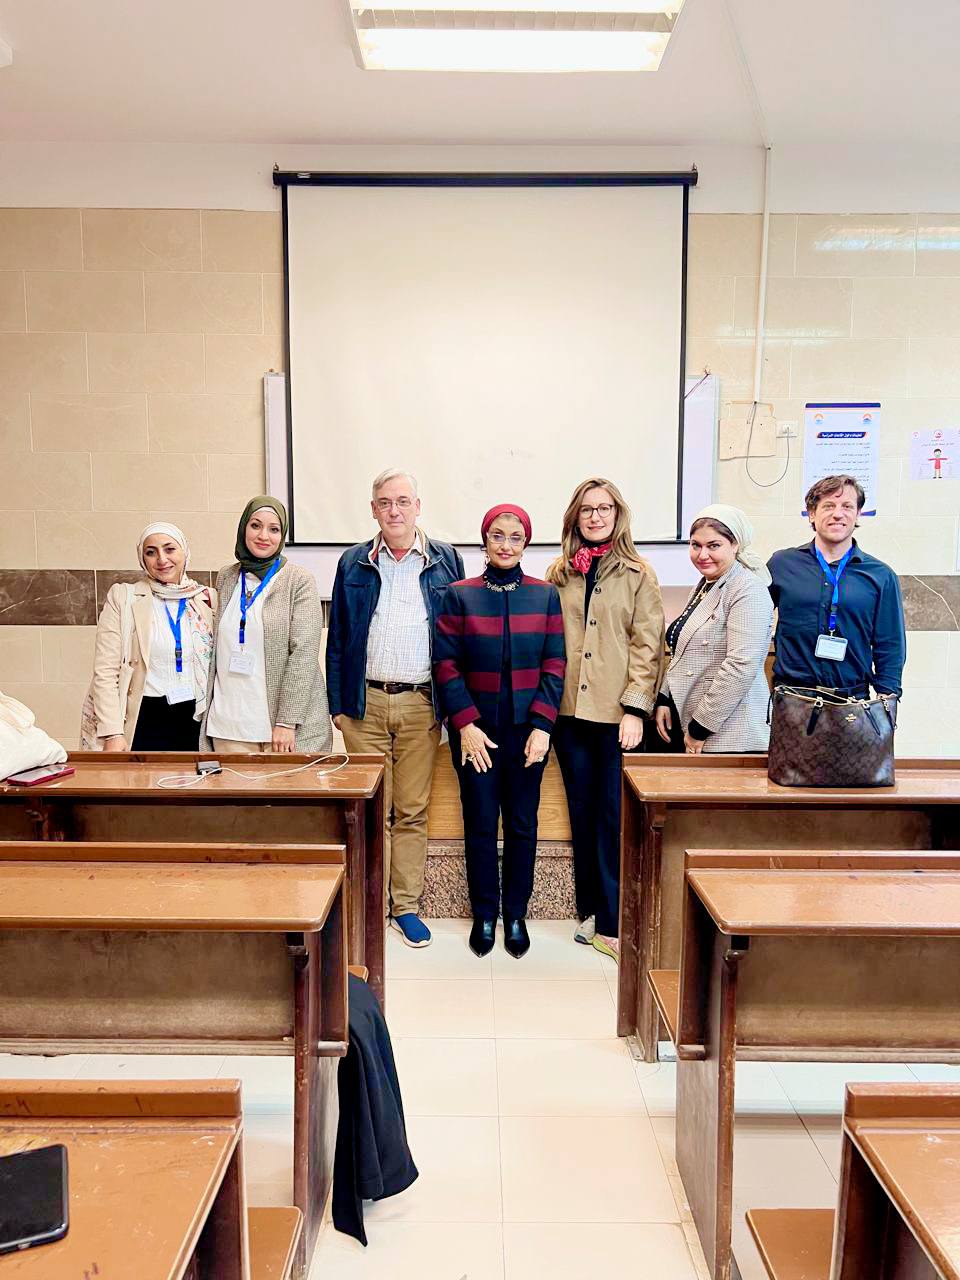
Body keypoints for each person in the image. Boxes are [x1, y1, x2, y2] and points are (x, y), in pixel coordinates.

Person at [326, 469, 464, 950]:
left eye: (403, 501)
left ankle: (405, 906)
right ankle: (370, 906)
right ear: (373, 509)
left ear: (418, 506)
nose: (394, 510)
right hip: (364, 705)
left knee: (410, 811)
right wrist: (339, 706)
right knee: (370, 811)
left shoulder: (445, 559)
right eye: (385, 502)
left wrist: (451, 706)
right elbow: (339, 637)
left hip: (422, 704)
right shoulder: (353, 562)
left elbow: (457, 637)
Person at [433, 504, 565, 960]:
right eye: (497, 535)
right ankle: (485, 913)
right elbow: (445, 664)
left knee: (524, 824)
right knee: (480, 823)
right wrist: (465, 725)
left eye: (515, 537)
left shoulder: (544, 595)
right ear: (484, 540)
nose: (506, 545)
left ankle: (516, 915)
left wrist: (543, 726)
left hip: (528, 733)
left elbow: (555, 663)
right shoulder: (459, 595)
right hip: (477, 733)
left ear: (525, 544)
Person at [546, 477, 665, 963]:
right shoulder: (559, 574)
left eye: (605, 509)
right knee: (582, 813)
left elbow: (648, 646)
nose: (596, 517)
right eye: (587, 509)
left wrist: (635, 709)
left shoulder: (638, 574)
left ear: (618, 515)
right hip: (568, 713)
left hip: (616, 716)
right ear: (575, 518)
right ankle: (590, 912)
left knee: (613, 816)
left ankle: (615, 921)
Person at [201, 496, 331, 754]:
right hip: (228, 726)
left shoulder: (298, 580)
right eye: (255, 525)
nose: (263, 536)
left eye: (274, 529)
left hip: (278, 730)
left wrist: (287, 721)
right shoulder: (227, 576)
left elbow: (304, 654)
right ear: (243, 528)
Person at [767, 475, 906, 698]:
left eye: (847, 506)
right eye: (828, 506)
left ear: (858, 514)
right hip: (793, 698)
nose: (838, 514)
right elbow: (751, 619)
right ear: (812, 513)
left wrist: (887, 696)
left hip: (852, 702)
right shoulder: (782, 565)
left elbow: (890, 643)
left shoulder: (880, 575)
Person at [84, 522, 216, 751]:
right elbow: (105, 672)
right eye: (151, 552)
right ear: (142, 559)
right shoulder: (124, 598)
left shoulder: (206, 599)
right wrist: (112, 732)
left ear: (185, 551)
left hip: (197, 719)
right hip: (144, 717)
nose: (162, 559)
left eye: (169, 549)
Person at [654, 504, 774, 756]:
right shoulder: (706, 585)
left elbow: (740, 666)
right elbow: (683, 650)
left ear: (735, 545)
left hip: (730, 734)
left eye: (713, 545)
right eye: (695, 545)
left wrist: (700, 728)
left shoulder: (748, 589)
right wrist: (665, 697)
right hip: (698, 724)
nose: (703, 554)